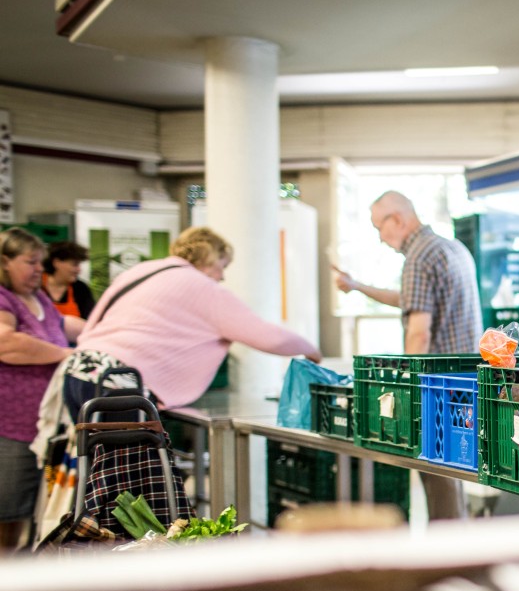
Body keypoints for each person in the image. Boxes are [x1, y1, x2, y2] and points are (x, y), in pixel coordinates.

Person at [55, 225, 322, 417]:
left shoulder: (142, 270)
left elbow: (95, 321)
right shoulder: (202, 287)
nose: (222, 276)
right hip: (120, 384)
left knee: (95, 474)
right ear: (210, 258)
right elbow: (267, 336)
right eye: (223, 266)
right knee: (128, 486)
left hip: (78, 372)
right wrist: (310, 349)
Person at [333, 191, 482, 520]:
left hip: (437, 387)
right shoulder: (450, 248)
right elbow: (410, 298)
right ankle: (457, 547)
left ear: (397, 220)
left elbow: (419, 331)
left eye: (379, 228)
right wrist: (357, 286)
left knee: (437, 474)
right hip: (465, 379)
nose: (381, 239)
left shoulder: (418, 257)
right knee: (453, 468)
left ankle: (444, 560)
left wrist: (411, 389)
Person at [0, 228, 73, 549]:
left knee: (41, 516)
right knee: (7, 518)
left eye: (40, 262)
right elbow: (5, 343)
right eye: (30, 262)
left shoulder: (38, 297)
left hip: (45, 430)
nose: (39, 269)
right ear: (5, 262)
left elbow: (65, 326)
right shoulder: (4, 298)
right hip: (11, 430)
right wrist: (65, 354)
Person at [43, 240, 97, 321]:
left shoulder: (81, 289)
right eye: (74, 264)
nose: (79, 270)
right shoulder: (35, 285)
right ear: (56, 263)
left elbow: (91, 321)